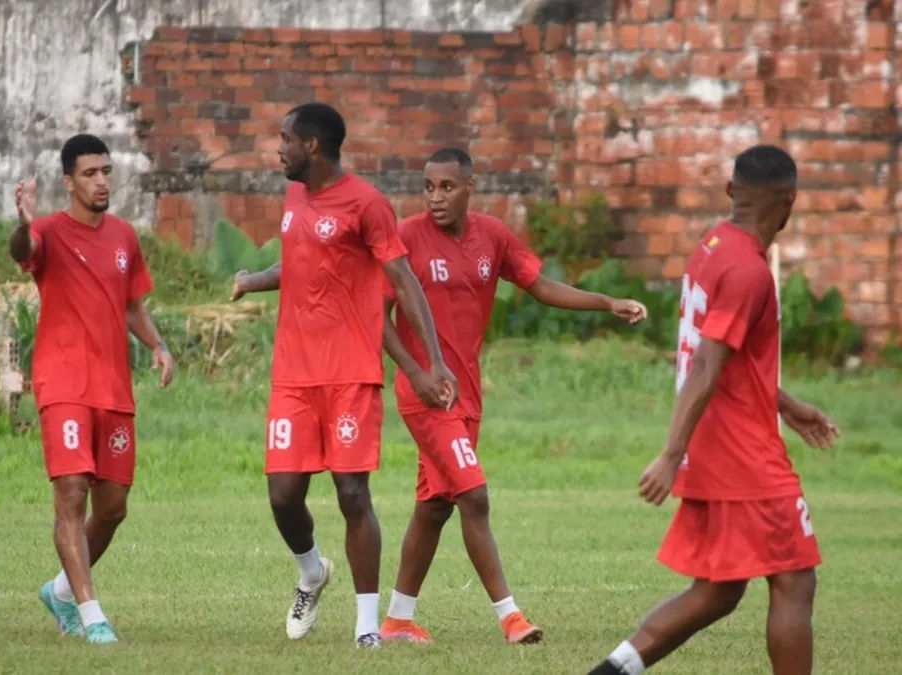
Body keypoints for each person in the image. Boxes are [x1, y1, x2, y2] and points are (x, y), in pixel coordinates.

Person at [376, 148, 647, 645]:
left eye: (447, 187)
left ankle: (396, 621)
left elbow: (539, 285)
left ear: (470, 187)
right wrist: (415, 372)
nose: (436, 197)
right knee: (474, 496)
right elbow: (377, 313)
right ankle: (512, 618)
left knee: (435, 506)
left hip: (468, 396)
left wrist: (606, 302)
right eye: (429, 186)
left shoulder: (492, 236)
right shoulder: (407, 237)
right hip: (427, 396)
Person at [588, 145, 840, 675]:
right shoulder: (750, 271)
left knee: (720, 590)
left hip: (714, 442)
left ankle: (610, 672)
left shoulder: (713, 244)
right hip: (741, 453)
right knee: (795, 578)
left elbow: (730, 356)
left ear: (731, 192)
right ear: (790, 201)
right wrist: (669, 452)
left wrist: (787, 405)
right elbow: (706, 363)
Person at [231, 103, 457, 649]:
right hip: (293, 374)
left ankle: (365, 628)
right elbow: (298, 259)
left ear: (312, 145)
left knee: (353, 494)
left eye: (285, 138)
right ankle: (312, 571)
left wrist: (432, 363)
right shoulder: (293, 196)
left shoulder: (367, 203)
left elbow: (403, 282)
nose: (277, 147)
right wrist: (253, 278)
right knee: (283, 495)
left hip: (351, 372)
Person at [10, 134, 174, 645]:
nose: (101, 181)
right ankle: (90, 613)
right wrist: (21, 222)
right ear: (68, 182)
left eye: (106, 171)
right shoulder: (47, 232)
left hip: (113, 387)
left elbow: (132, 308)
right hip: (62, 383)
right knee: (72, 494)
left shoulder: (124, 236)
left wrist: (160, 347)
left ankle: (59, 590)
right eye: (90, 173)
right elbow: (24, 250)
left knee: (113, 507)